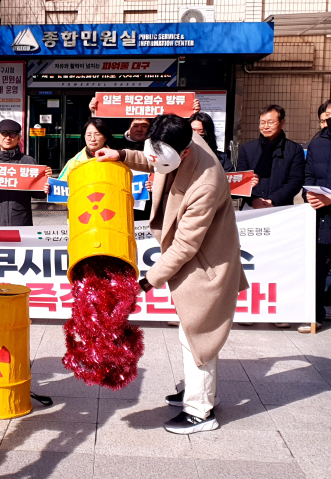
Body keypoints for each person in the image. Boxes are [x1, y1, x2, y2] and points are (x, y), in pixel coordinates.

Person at [96, 114, 248, 434]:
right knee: (192, 331)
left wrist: (146, 282)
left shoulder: (206, 182)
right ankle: (199, 391)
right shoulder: (174, 140)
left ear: (186, 152)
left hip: (207, 264)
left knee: (196, 335)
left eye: (165, 161)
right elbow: (151, 158)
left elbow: (184, 247)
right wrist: (121, 154)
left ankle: (200, 411)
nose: (156, 164)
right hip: (192, 261)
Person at [237, 105, 304, 329]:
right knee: (249, 260)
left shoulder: (293, 150)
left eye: (271, 122)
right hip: (251, 209)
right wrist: (254, 197)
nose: (266, 126)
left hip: (281, 212)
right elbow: (240, 179)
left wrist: (273, 201)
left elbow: (295, 181)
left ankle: (280, 309)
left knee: (279, 261)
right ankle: (250, 309)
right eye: (262, 122)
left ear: (282, 123)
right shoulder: (247, 149)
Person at [301, 117, 331, 333]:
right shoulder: (317, 143)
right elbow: (308, 175)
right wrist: (308, 194)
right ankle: (315, 315)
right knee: (318, 268)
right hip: (321, 217)